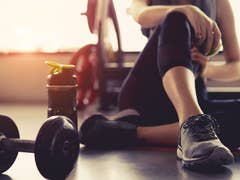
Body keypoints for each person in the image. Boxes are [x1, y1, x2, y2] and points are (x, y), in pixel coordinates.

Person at [79, 0, 240, 169]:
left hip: (193, 100)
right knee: (176, 17)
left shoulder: (220, 3)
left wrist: (209, 70)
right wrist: (185, 10)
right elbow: (139, 14)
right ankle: (193, 124)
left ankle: (131, 132)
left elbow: (237, 65)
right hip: (146, 96)